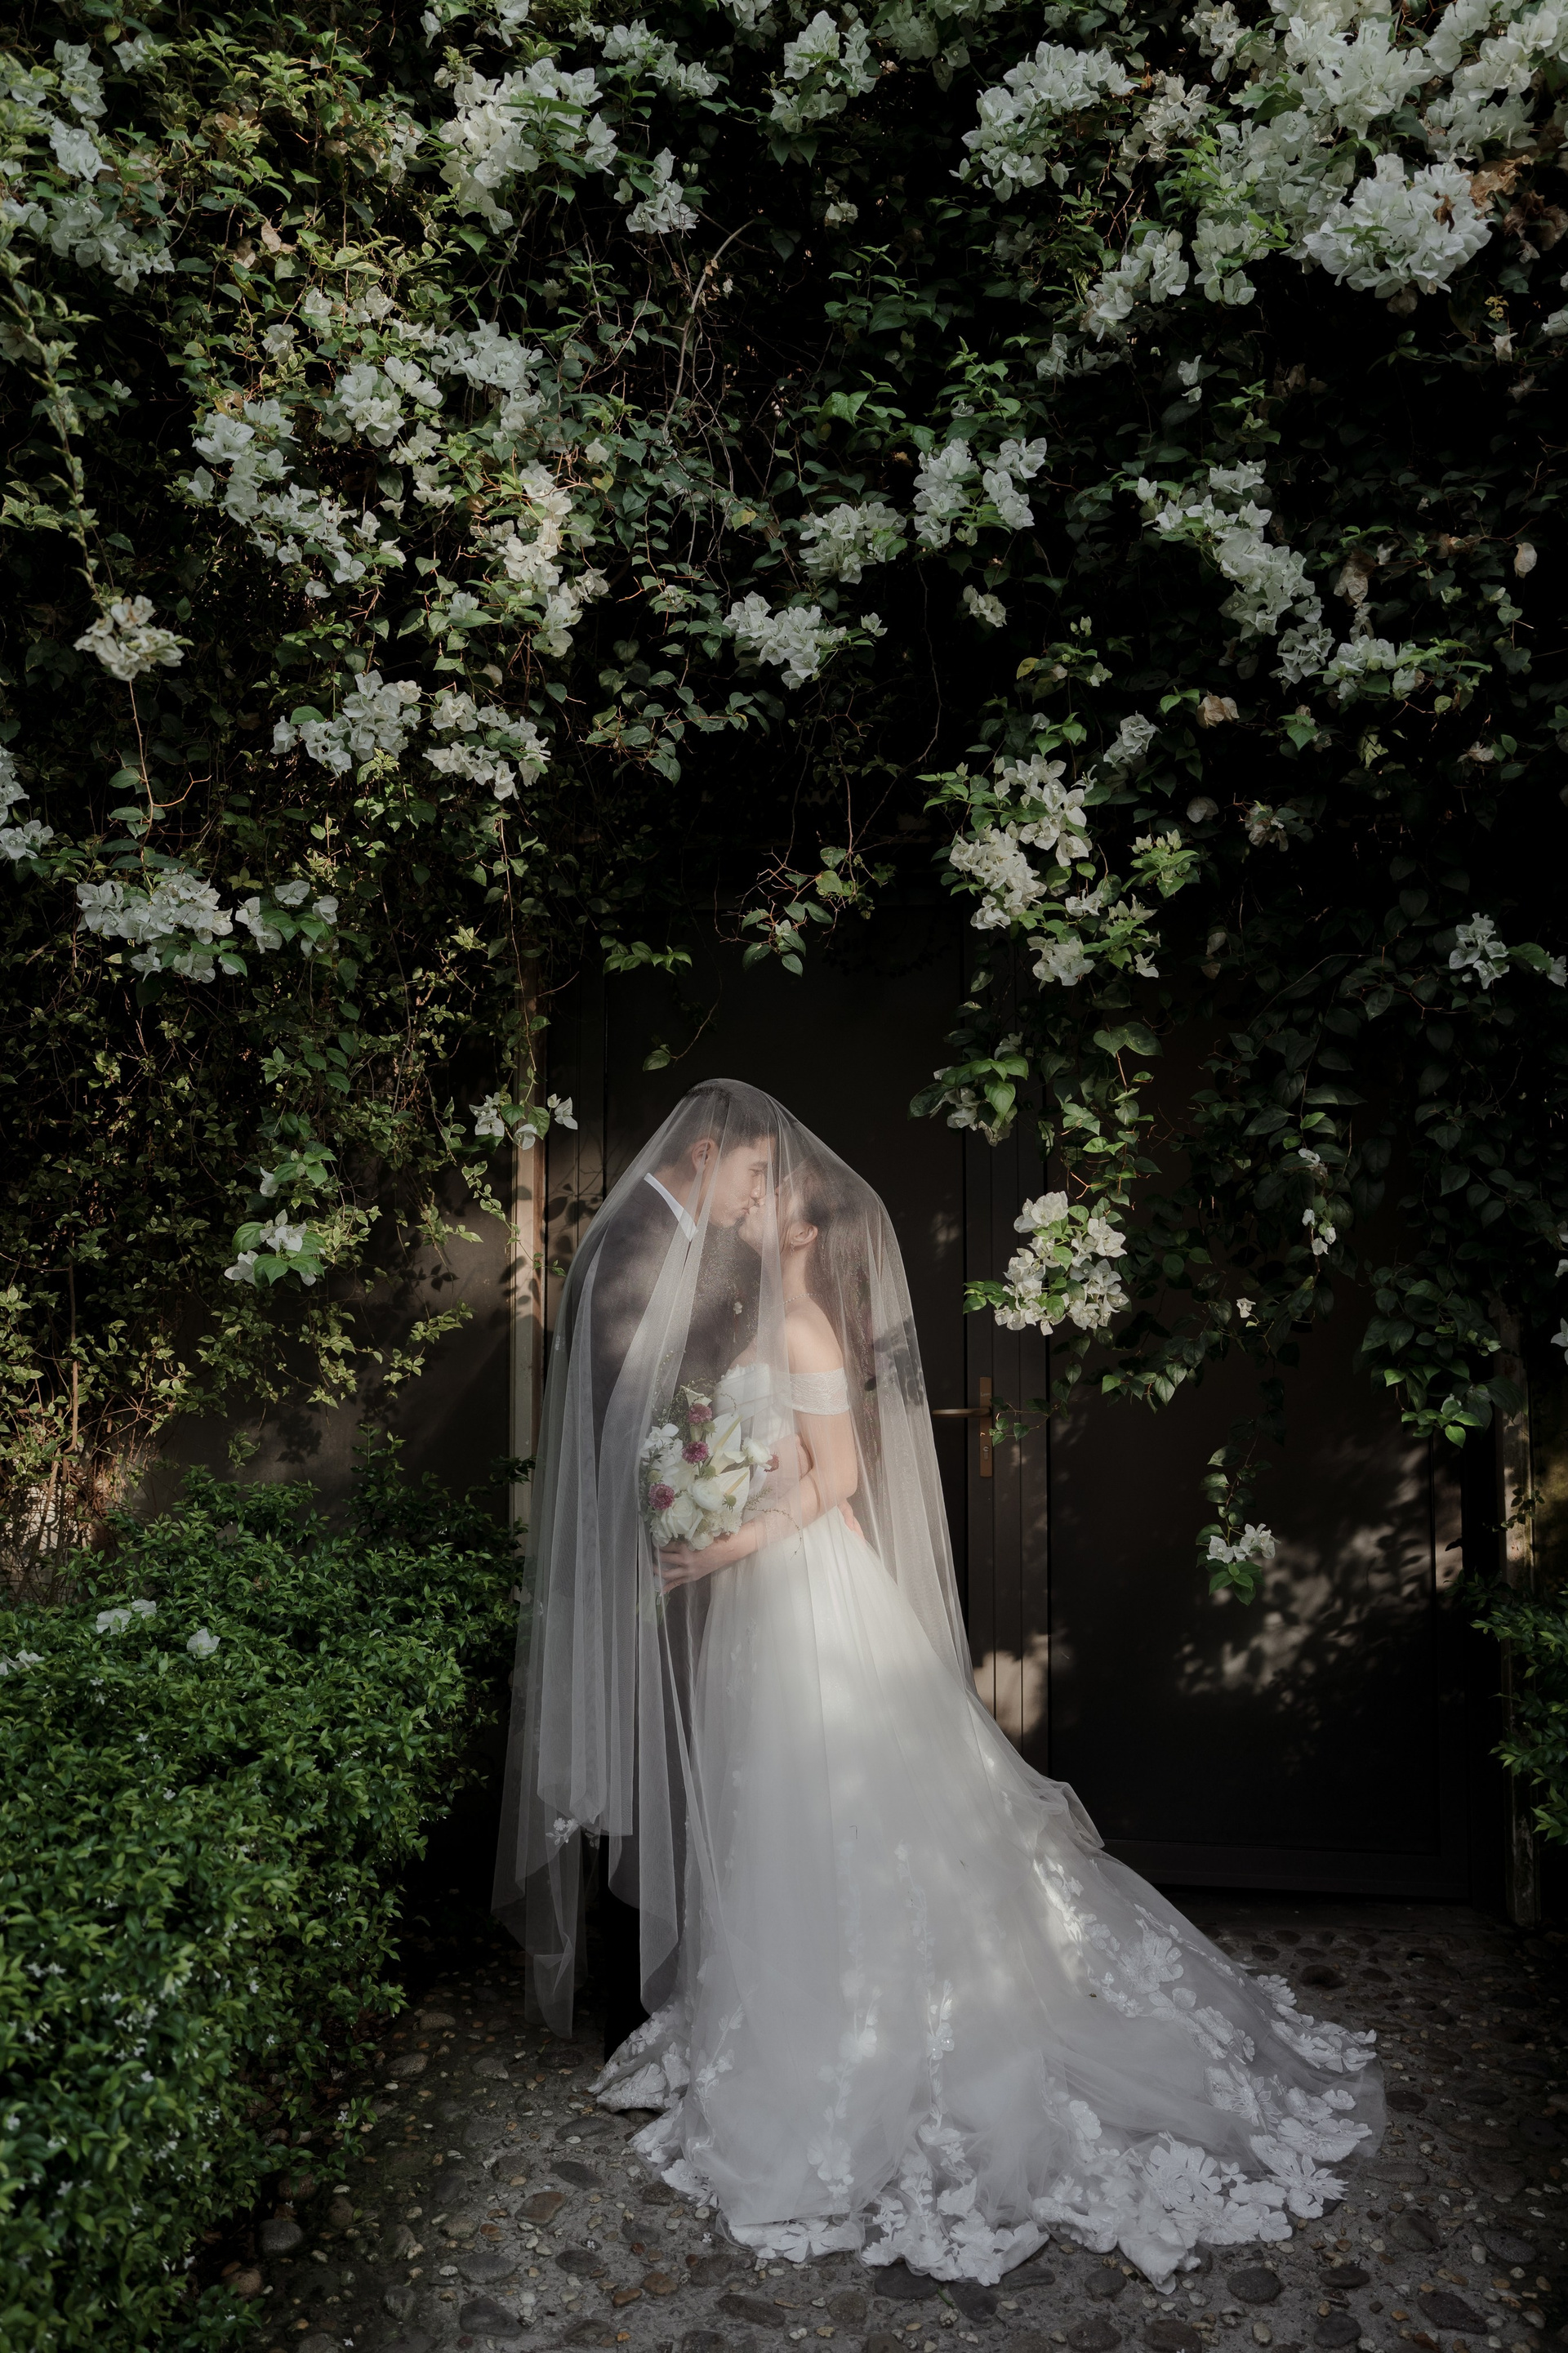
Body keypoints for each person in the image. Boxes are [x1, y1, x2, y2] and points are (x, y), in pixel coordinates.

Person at [494, 1082, 1383, 2288]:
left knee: (834, 1797)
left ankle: (859, 2019)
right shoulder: (764, 1311)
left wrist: (722, 1538)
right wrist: (717, 1497)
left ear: (800, 1226)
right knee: (783, 1804)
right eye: (752, 1185)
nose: (753, 1205)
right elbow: (762, 1448)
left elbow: (837, 1479)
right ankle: (786, 1995)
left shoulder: (806, 1326)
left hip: (801, 1593)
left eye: (768, 1195)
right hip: (768, 1599)